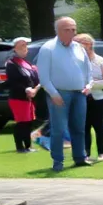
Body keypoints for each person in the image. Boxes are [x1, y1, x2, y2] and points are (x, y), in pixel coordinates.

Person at [34, 17, 92, 171]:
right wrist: (53, 94)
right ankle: (58, 161)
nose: (72, 32)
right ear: (58, 31)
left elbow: (88, 70)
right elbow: (44, 77)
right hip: (59, 93)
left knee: (79, 127)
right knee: (58, 129)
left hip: (79, 93)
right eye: (68, 29)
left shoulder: (79, 48)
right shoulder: (48, 49)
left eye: (74, 29)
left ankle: (80, 158)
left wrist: (89, 85)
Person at [75, 34, 103, 162]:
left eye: (80, 43)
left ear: (89, 44)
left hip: (98, 99)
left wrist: (92, 85)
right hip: (81, 98)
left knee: (98, 126)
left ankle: (101, 153)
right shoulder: (77, 61)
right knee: (84, 127)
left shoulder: (100, 61)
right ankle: (86, 153)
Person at [5, 37, 41, 153]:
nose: (24, 48)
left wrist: (35, 87)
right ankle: (20, 147)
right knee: (22, 122)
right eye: (21, 45)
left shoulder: (27, 63)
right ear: (15, 48)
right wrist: (26, 89)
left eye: (25, 45)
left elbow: (34, 79)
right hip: (18, 97)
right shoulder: (11, 63)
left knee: (29, 121)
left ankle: (28, 146)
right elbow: (14, 82)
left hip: (29, 98)